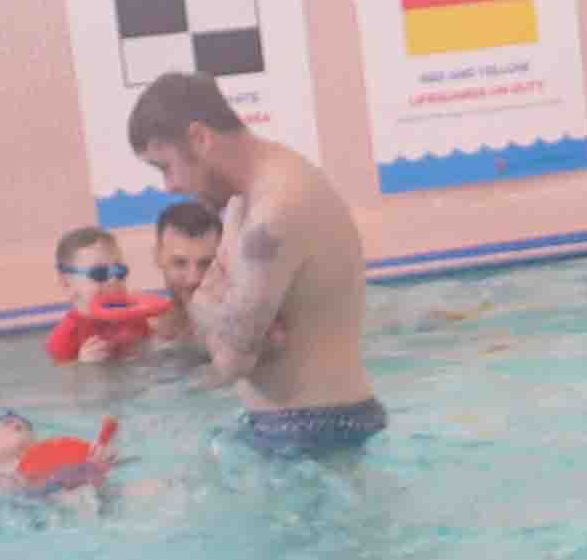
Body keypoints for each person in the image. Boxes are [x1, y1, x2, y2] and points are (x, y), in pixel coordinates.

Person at [127, 72, 381, 453]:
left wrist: (202, 304)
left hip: (316, 429)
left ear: (200, 138)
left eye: (165, 166)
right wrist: (225, 315)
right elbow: (232, 334)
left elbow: (231, 363)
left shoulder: (274, 211)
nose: (169, 187)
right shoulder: (248, 196)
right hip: (301, 424)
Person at [41, 226, 170, 364]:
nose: (113, 280)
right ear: (67, 284)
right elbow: (63, 379)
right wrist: (82, 364)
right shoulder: (64, 338)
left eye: (120, 271)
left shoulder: (134, 318)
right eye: (99, 273)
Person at [0, 409, 118, 496]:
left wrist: (97, 466)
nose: (12, 420)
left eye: (18, 419)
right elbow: (7, 478)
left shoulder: (48, 458)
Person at [148, 201, 223, 350]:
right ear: (157, 256)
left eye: (206, 264)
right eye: (180, 263)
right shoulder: (144, 328)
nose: (193, 279)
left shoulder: (243, 328)